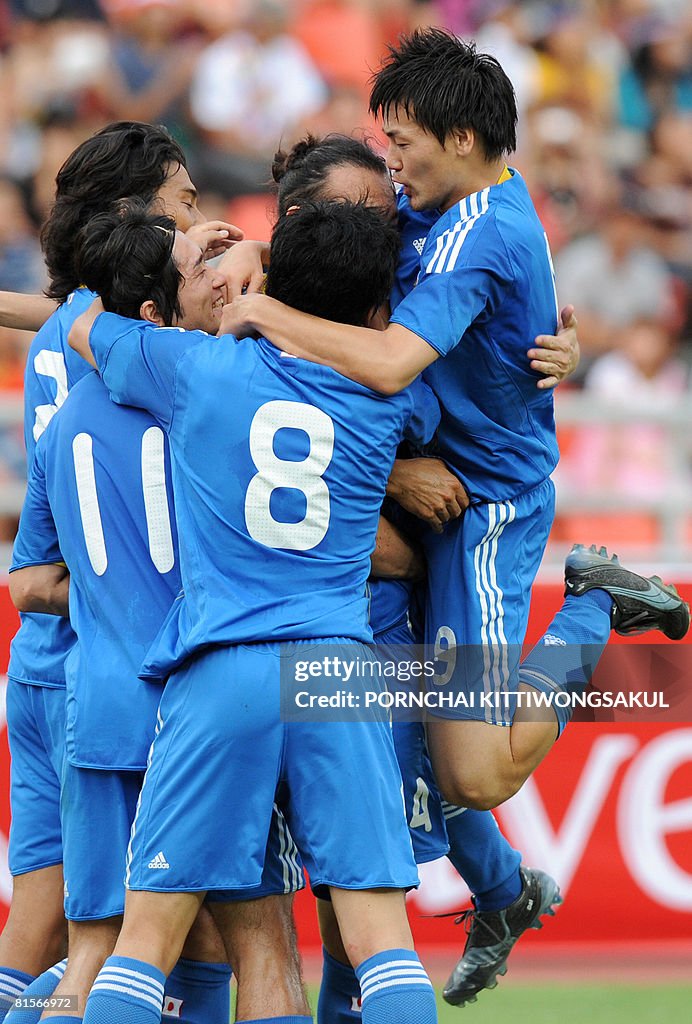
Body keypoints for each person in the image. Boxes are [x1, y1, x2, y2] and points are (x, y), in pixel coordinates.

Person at [219, 28, 689, 992]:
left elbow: (390, 364)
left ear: (465, 138)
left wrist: (260, 312)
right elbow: (332, 273)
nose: (391, 163)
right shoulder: (428, 203)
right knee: (387, 746)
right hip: (414, 494)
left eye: (403, 143)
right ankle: (503, 887)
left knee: (468, 771)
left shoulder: (483, 232)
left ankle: (594, 603)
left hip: (481, 514)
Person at [69, 198, 439, 1024]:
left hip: (222, 667)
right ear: (377, 310)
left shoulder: (195, 369)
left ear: (274, 282)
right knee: (382, 940)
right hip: (338, 668)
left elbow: (84, 323)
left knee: (146, 941)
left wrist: (211, 262)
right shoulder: (387, 397)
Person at [269, 132, 561, 1015]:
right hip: (292, 628)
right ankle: (508, 890)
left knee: (359, 882)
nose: (385, 220)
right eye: (357, 210)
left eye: (384, 204)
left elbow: (396, 534)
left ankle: (586, 619)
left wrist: (560, 353)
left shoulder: (397, 320)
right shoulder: (244, 301)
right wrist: (391, 475)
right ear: (294, 222)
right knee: (327, 881)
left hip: (376, 619)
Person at [8, 201, 307, 1024]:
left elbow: (30, 582)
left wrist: (109, 596)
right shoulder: (198, 406)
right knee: (243, 943)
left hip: (93, 704)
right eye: (191, 274)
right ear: (151, 315)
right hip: (190, 706)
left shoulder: (64, 423)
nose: (212, 281)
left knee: (96, 947)